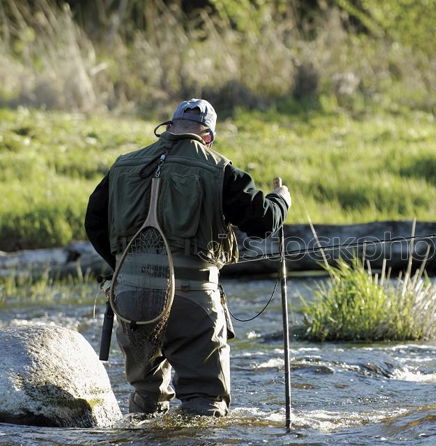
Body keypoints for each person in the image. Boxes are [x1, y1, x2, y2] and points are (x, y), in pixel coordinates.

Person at [85, 98, 290, 417]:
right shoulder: (219, 168)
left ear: (168, 128)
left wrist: (123, 270)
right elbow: (262, 221)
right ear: (208, 136)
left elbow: (94, 222)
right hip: (192, 299)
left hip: (130, 297)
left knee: (146, 399)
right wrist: (280, 200)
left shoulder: (123, 164)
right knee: (205, 401)